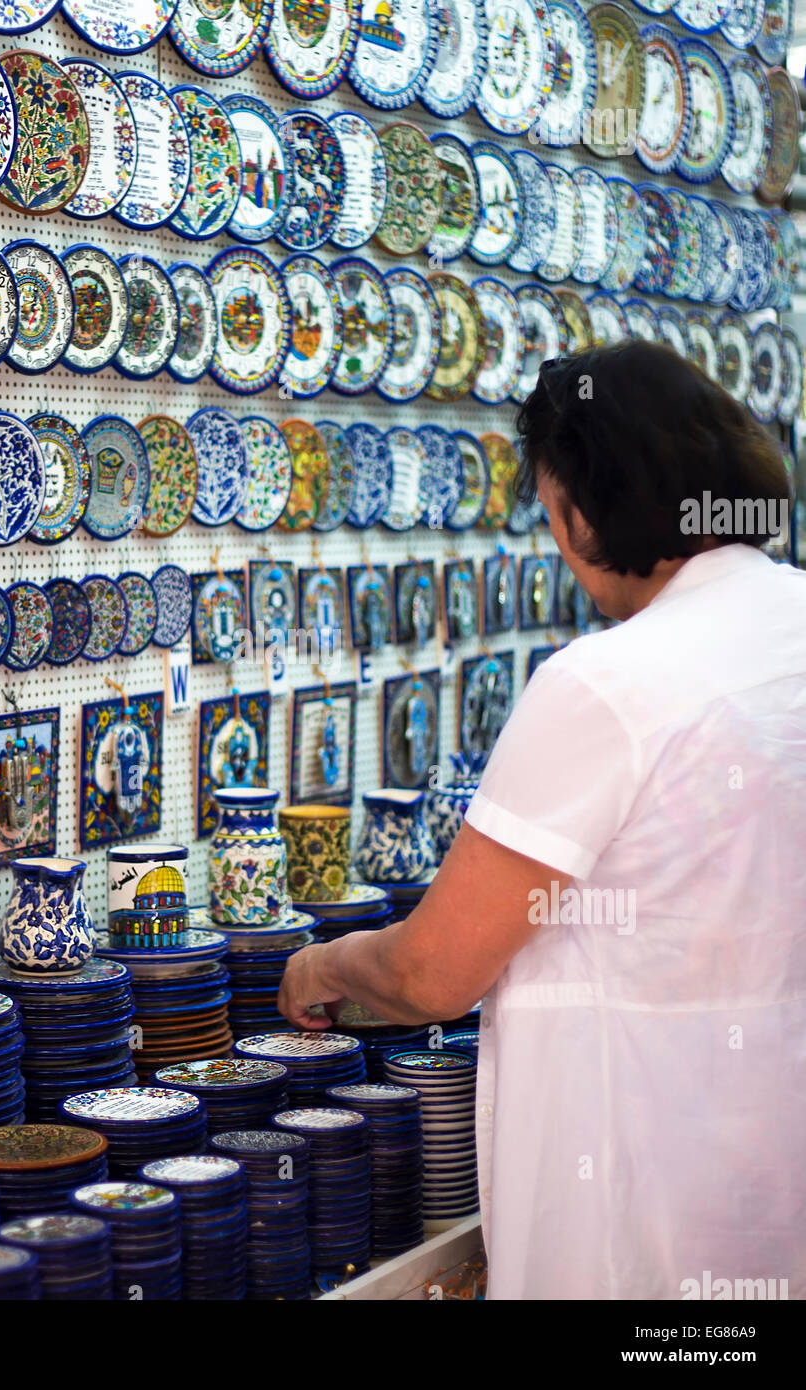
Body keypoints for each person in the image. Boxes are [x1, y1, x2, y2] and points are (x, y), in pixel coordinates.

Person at [278, 342, 806, 1300]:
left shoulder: (607, 685)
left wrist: (323, 965)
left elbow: (432, 973)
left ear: (575, 514)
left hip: (638, 1218)